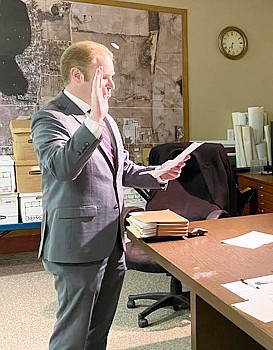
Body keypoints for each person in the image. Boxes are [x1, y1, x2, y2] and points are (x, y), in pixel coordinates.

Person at [31, 41, 187, 350]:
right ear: (78, 75)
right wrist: (93, 122)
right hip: (77, 245)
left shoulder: (106, 119)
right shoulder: (50, 118)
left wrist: (158, 173)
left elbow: (122, 168)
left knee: (98, 331)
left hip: (112, 242)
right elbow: (63, 168)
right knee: (72, 335)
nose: (112, 85)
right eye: (106, 77)